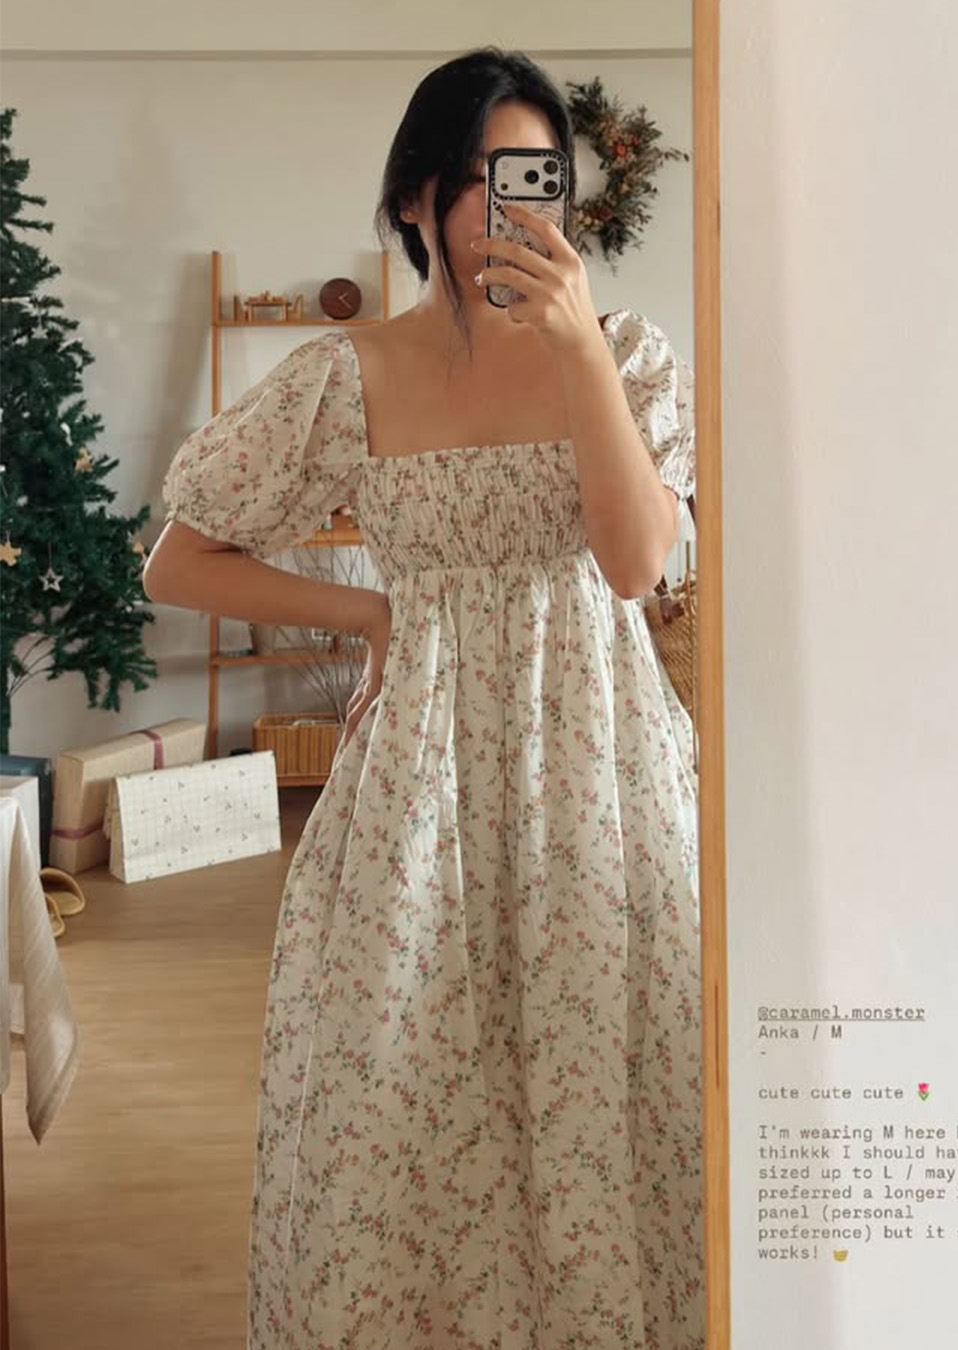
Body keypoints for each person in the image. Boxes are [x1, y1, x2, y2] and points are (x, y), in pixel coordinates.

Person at [144, 45, 703, 1350]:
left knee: (605, 1073)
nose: (520, 210)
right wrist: (374, 613)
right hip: (419, 780)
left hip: (597, 771)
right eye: (487, 180)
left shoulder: (626, 354)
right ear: (416, 200)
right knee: (402, 1084)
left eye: (542, 179)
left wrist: (576, 352)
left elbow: (636, 564)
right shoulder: (348, 373)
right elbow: (177, 560)